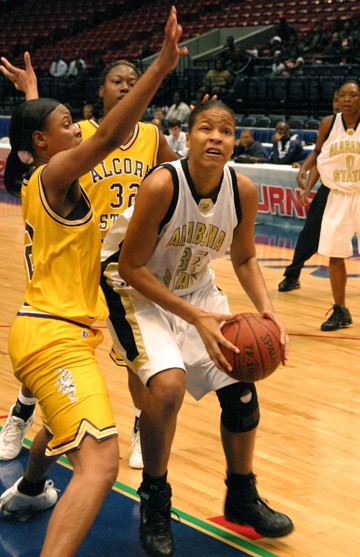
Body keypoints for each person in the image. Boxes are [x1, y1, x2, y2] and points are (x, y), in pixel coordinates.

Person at [0, 8, 186, 556]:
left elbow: (55, 131)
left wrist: (34, 93)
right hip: (51, 335)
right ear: (46, 140)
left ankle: (32, 488)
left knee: (78, 436)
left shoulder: (48, 171)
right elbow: (105, 133)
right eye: (64, 124)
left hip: (65, 331)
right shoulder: (53, 174)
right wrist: (163, 65)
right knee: (102, 464)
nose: (73, 127)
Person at [102, 98, 294, 557]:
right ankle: (155, 503)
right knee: (167, 389)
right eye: (206, 128)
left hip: (196, 290)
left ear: (234, 141)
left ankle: (241, 497)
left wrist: (268, 312)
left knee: (242, 388)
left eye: (226, 130)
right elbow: (131, 266)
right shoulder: (162, 185)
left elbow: (245, 257)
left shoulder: (242, 189)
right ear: (187, 137)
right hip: (135, 291)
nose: (217, 137)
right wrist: (196, 320)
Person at [296, 79, 360, 331]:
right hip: (337, 195)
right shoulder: (328, 123)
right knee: (335, 253)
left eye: (352, 95)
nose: (346, 99)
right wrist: (306, 167)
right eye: (342, 95)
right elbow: (318, 152)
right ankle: (340, 310)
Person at [278, 89, 339, 292]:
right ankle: (292, 274)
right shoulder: (328, 124)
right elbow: (320, 156)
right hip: (330, 188)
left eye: (349, 97)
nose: (340, 103)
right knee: (310, 234)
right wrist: (308, 187)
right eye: (336, 98)